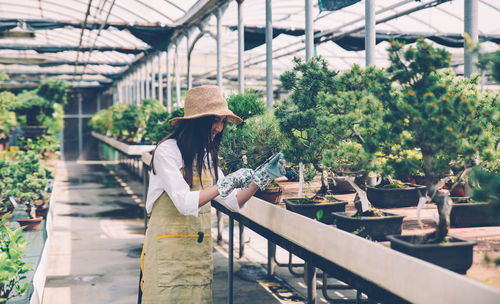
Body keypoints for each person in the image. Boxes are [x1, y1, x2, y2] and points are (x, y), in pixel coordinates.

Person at [140, 85, 285, 303]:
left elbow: (233, 201)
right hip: (167, 255)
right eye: (214, 120)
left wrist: (260, 178)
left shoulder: (207, 156)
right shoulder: (166, 151)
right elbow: (184, 202)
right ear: (197, 122)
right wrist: (225, 183)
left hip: (196, 258)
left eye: (222, 122)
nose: (218, 127)